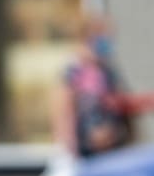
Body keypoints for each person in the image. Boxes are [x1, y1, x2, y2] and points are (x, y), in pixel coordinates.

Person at [54, 16, 133, 157]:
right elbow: (63, 111)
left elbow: (120, 104)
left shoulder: (107, 71)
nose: (108, 44)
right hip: (85, 153)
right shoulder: (74, 70)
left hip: (110, 149)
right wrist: (70, 148)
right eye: (103, 39)